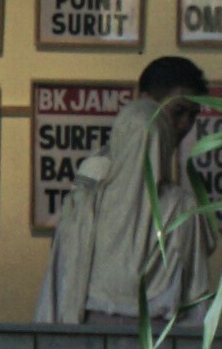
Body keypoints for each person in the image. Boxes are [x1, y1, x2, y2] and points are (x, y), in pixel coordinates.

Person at [36, 56, 212, 325]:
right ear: (143, 101)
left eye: (192, 116)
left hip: (154, 335)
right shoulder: (86, 194)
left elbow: (194, 295)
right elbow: (62, 281)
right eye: (177, 112)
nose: (184, 126)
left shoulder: (181, 206)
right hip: (90, 329)